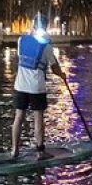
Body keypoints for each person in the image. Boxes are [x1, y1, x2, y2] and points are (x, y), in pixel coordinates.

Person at [11, 14, 66, 159]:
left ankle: (14, 150)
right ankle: (40, 151)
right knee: (38, 117)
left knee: (19, 116)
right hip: (36, 87)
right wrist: (63, 75)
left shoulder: (21, 40)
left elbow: (22, 58)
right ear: (46, 27)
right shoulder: (46, 46)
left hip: (20, 85)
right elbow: (54, 68)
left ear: (33, 25)